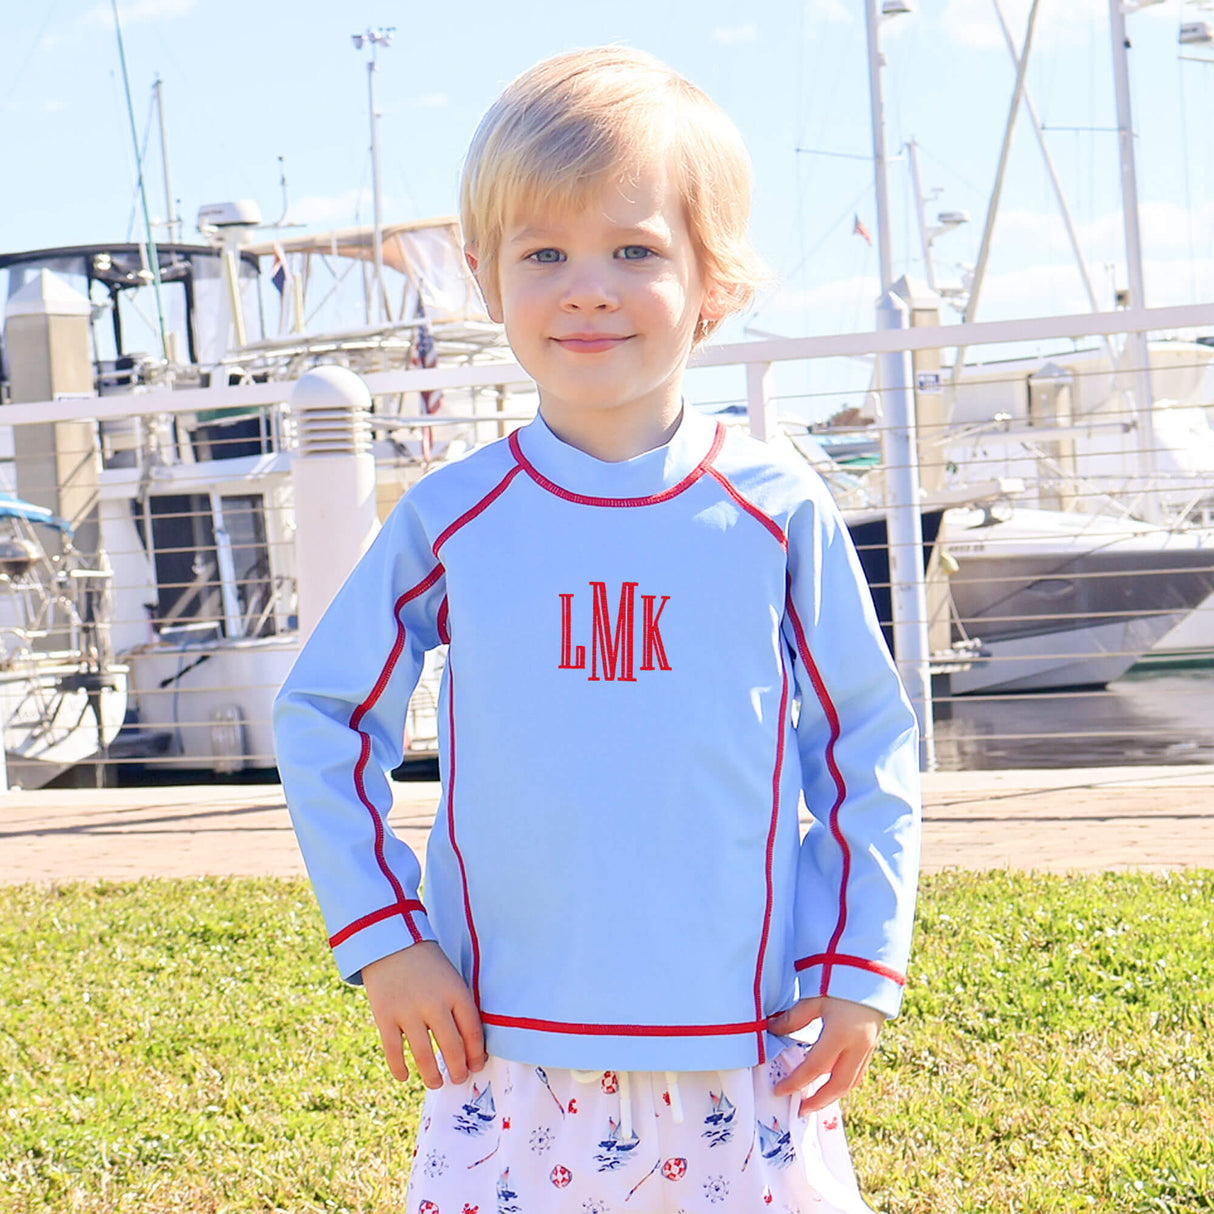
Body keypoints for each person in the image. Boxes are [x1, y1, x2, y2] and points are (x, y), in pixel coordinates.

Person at [274, 45, 921, 1214]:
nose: (586, 286)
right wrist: (384, 936)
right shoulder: (453, 514)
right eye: (545, 253)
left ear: (711, 278)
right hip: (509, 1047)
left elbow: (865, 745)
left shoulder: (775, 509)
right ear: (486, 278)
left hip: (744, 1034)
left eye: (633, 249)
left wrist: (857, 964)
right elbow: (324, 714)